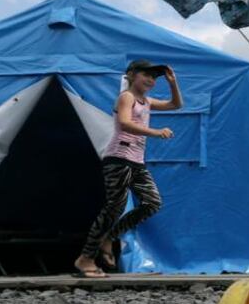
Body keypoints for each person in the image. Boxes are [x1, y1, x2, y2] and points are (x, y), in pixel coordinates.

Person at [74, 59, 183, 278]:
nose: (151, 80)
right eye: (147, 75)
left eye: (154, 77)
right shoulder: (127, 97)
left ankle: (110, 237)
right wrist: (155, 131)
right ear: (132, 75)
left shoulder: (147, 101)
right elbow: (124, 122)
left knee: (152, 203)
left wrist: (172, 83)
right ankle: (85, 258)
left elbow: (176, 105)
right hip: (118, 159)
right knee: (114, 207)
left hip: (136, 161)